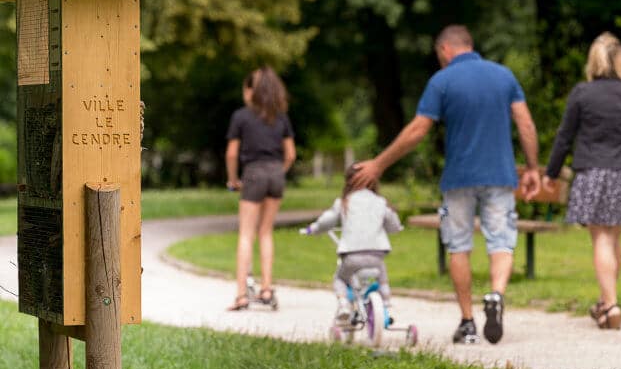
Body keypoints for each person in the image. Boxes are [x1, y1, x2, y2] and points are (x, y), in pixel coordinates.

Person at [352, 25, 540, 345]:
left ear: (445, 50)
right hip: (500, 175)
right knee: (502, 242)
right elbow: (524, 121)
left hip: (459, 179)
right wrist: (533, 167)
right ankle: (495, 295)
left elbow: (417, 130)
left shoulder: (441, 81)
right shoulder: (504, 76)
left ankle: (467, 322)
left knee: (458, 246)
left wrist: (379, 164)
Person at [543, 33, 621, 329]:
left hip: (592, 172)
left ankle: (611, 305)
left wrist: (550, 174)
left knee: (600, 238)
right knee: (613, 238)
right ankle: (605, 301)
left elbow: (565, 136)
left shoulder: (581, 93)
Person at [225, 67, 296, 310]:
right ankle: (266, 289)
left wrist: (234, 179)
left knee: (246, 234)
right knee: (265, 232)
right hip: (276, 173)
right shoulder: (281, 118)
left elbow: (232, 153)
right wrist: (278, 173)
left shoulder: (242, 117)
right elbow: (291, 155)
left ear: (253, 90)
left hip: (253, 173)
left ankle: (242, 295)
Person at [301, 165, 403, 322]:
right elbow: (393, 224)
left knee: (340, 278)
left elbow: (326, 221)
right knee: (382, 276)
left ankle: (343, 304)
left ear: (348, 182)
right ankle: (387, 301)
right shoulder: (380, 202)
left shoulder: (344, 202)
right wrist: (397, 228)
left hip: (352, 255)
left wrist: (312, 229)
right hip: (377, 254)